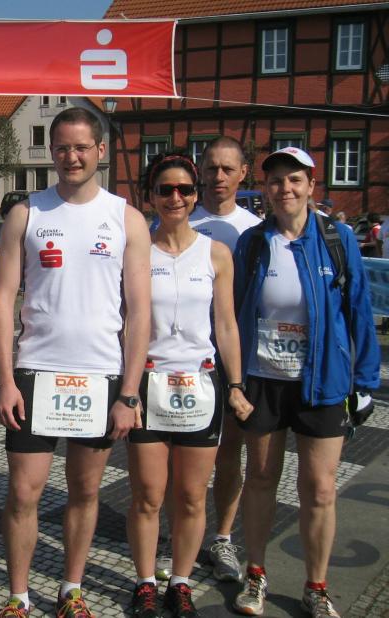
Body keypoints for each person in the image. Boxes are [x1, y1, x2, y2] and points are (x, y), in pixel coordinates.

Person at [0, 107, 151, 617]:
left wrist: (130, 392)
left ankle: (71, 590)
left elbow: (139, 311)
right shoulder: (27, 213)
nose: (71, 157)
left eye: (82, 147)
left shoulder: (126, 218)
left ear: (100, 151)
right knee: (24, 493)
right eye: (62, 147)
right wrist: (5, 380)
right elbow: (2, 299)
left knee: (85, 491)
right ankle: (18, 597)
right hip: (35, 372)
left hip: (100, 374)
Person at [232, 147, 380, 617]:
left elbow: (359, 310)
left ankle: (316, 587)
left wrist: (365, 381)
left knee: (319, 488)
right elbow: (233, 313)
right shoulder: (254, 243)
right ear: (266, 188)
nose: (285, 189)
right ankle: (255, 574)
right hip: (264, 380)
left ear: (311, 185)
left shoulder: (337, 239)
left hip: (323, 380)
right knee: (260, 479)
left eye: (294, 180)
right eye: (276, 181)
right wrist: (232, 380)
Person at [126, 152, 252, 618]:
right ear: (151, 196)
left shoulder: (216, 253)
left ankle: (180, 582)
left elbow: (227, 324)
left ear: (196, 195)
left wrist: (235, 384)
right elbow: (125, 321)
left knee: (192, 496)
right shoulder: (137, 251)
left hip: (200, 383)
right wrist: (126, 389)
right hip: (149, 381)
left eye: (184, 189)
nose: (175, 197)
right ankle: (145, 582)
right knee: (148, 495)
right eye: (165, 189)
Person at [181, 137, 262, 584]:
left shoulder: (253, 230)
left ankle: (223, 537)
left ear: (243, 173)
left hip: (231, 359)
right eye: (210, 168)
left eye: (227, 169)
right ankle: (177, 535)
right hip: (181, 360)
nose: (218, 177)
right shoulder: (179, 217)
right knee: (178, 455)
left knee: (230, 451)